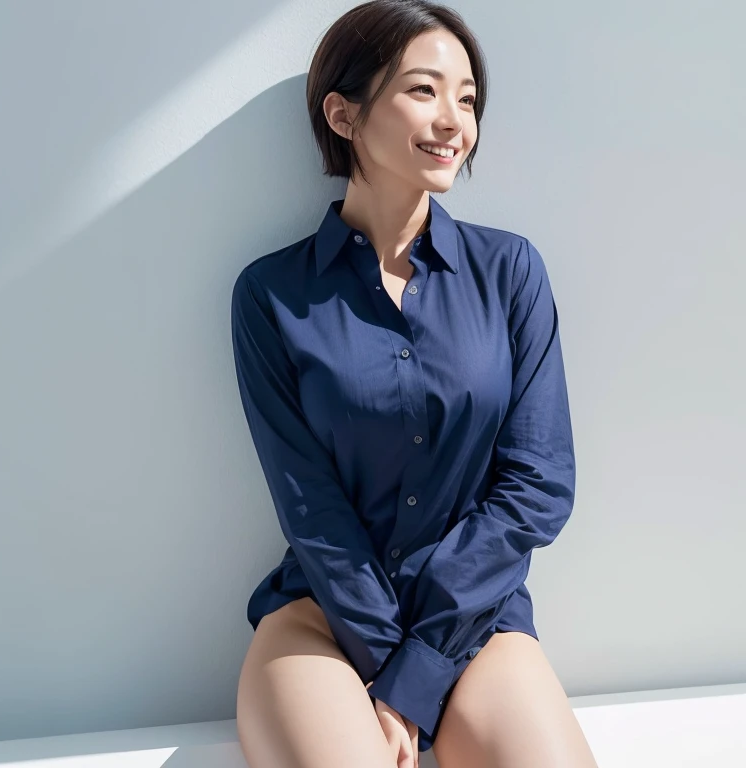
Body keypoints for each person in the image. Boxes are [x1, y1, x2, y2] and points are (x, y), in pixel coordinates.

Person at [232, 1, 599, 766]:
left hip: (476, 624)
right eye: (424, 90)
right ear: (343, 113)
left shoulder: (510, 273)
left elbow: (538, 484)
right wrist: (384, 656)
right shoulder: (270, 294)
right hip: (323, 621)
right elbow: (310, 506)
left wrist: (416, 674)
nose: (454, 121)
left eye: (468, 98)